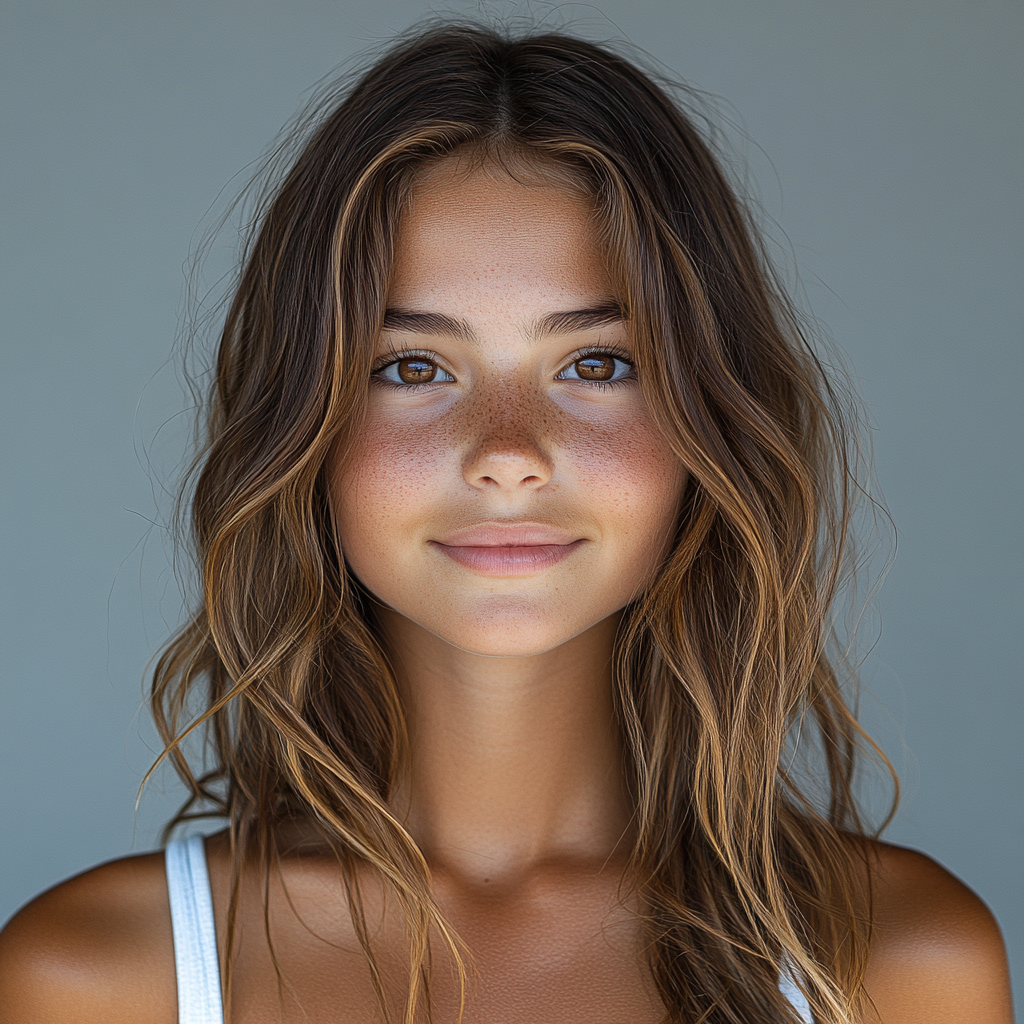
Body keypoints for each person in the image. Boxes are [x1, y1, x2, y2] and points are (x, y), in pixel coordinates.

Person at [0, 22, 1012, 1024]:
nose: (507, 449)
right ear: (304, 433)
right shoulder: (98, 981)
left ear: (707, 424)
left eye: (596, 364)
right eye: (412, 368)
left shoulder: (895, 962)